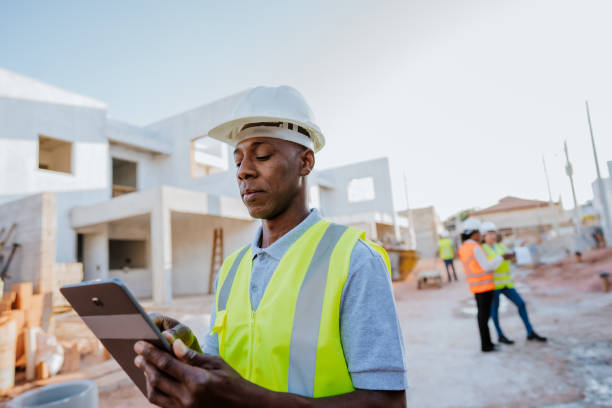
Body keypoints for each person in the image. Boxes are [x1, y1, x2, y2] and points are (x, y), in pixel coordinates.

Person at [133, 86, 408, 407]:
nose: (244, 171)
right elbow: (223, 369)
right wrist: (184, 348)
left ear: (305, 162)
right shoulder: (232, 268)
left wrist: (250, 402)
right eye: (237, 161)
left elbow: (388, 403)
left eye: (262, 155)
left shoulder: (354, 260)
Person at [480, 222, 547, 344]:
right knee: (495, 311)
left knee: (521, 304)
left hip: (507, 284)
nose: (492, 236)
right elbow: (488, 266)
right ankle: (500, 335)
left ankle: (530, 332)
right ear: (483, 236)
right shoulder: (482, 250)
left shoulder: (500, 246)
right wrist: (502, 257)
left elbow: (510, 259)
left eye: (493, 233)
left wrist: (515, 254)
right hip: (493, 285)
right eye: (489, 234)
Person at [458, 218, 513, 352]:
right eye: (479, 233)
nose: (481, 235)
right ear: (475, 233)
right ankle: (487, 345)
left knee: (482, 317)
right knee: (484, 318)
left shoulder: (464, 247)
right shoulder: (475, 247)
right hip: (485, 287)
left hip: (476, 286)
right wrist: (501, 257)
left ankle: (486, 344)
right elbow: (486, 266)